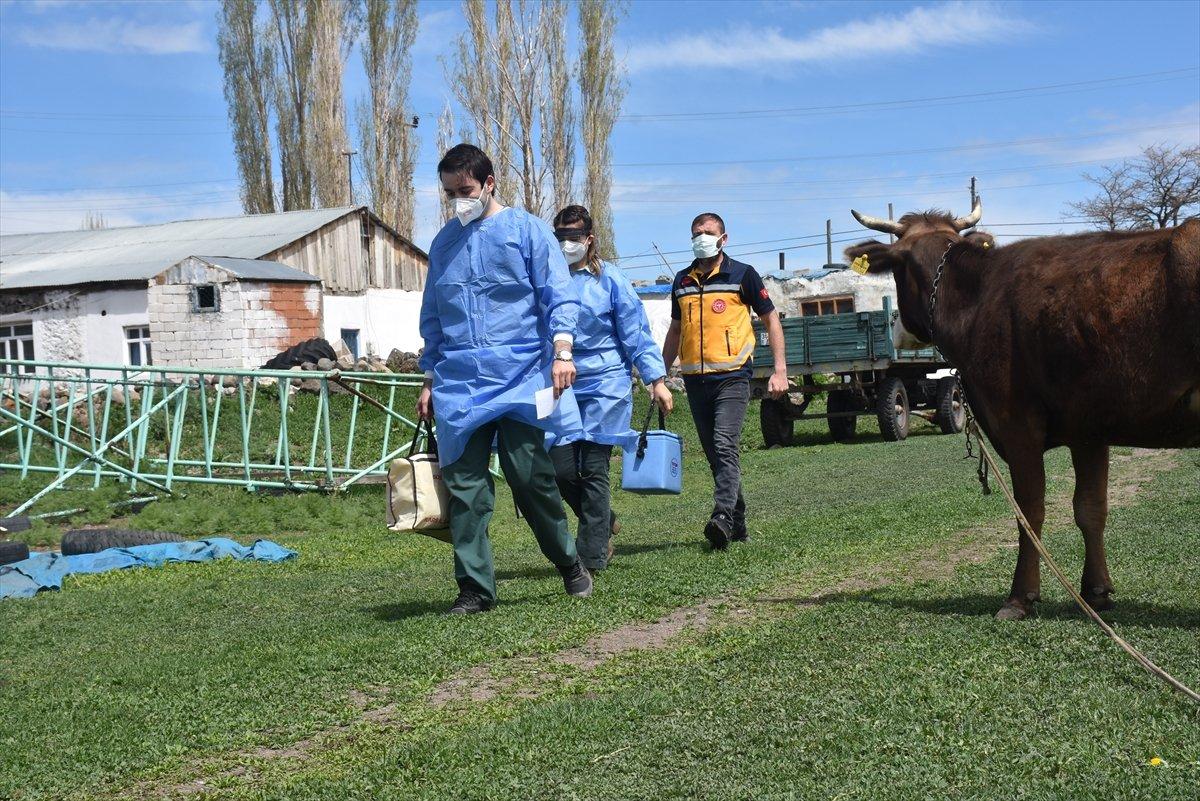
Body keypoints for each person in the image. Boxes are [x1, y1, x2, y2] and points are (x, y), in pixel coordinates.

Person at [417, 144, 593, 615]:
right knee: (465, 488)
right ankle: (475, 588)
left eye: (466, 190)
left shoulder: (529, 232)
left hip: (520, 378)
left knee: (529, 475)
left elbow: (559, 296)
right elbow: (433, 316)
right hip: (459, 385)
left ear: (489, 183)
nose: (458, 200)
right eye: (450, 192)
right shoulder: (443, 244)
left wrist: (562, 351)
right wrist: (430, 379)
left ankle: (568, 560)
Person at [549, 204, 674, 573]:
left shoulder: (611, 281)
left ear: (589, 239)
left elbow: (636, 334)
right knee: (559, 469)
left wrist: (657, 380)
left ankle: (592, 554)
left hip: (606, 384)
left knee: (593, 467)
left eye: (573, 237)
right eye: (560, 238)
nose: (567, 244)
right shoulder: (547, 280)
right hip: (561, 384)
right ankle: (605, 517)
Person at [661, 212, 788, 550]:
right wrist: (659, 375)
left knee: (724, 444)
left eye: (708, 232)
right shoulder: (682, 281)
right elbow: (675, 331)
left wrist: (780, 370)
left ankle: (722, 517)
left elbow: (771, 320)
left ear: (723, 238)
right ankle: (740, 524)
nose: (701, 237)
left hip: (733, 378)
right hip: (695, 381)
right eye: (696, 233)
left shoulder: (743, 275)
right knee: (715, 455)